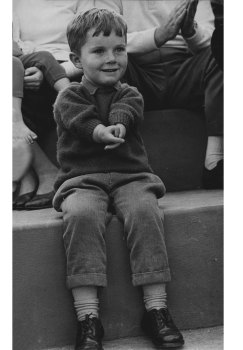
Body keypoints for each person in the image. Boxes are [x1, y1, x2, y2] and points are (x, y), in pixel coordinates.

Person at [53, 8, 184, 350]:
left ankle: (156, 309)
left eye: (119, 49)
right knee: (80, 215)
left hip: (131, 177)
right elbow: (79, 120)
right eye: (98, 51)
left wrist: (119, 126)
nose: (111, 58)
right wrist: (98, 131)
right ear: (76, 60)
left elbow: (126, 112)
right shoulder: (68, 96)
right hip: (82, 179)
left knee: (145, 211)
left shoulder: (131, 93)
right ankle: (88, 317)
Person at [95, 0, 223, 189]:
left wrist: (190, 31)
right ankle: (120, 163)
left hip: (187, 67)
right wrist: (158, 35)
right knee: (109, 63)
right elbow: (104, 41)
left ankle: (215, 161)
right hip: (138, 71)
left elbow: (211, 41)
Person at [12, 0, 94, 209]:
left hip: (67, 68)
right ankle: (36, 173)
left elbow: (89, 43)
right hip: (24, 66)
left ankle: (36, 174)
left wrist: (47, 70)